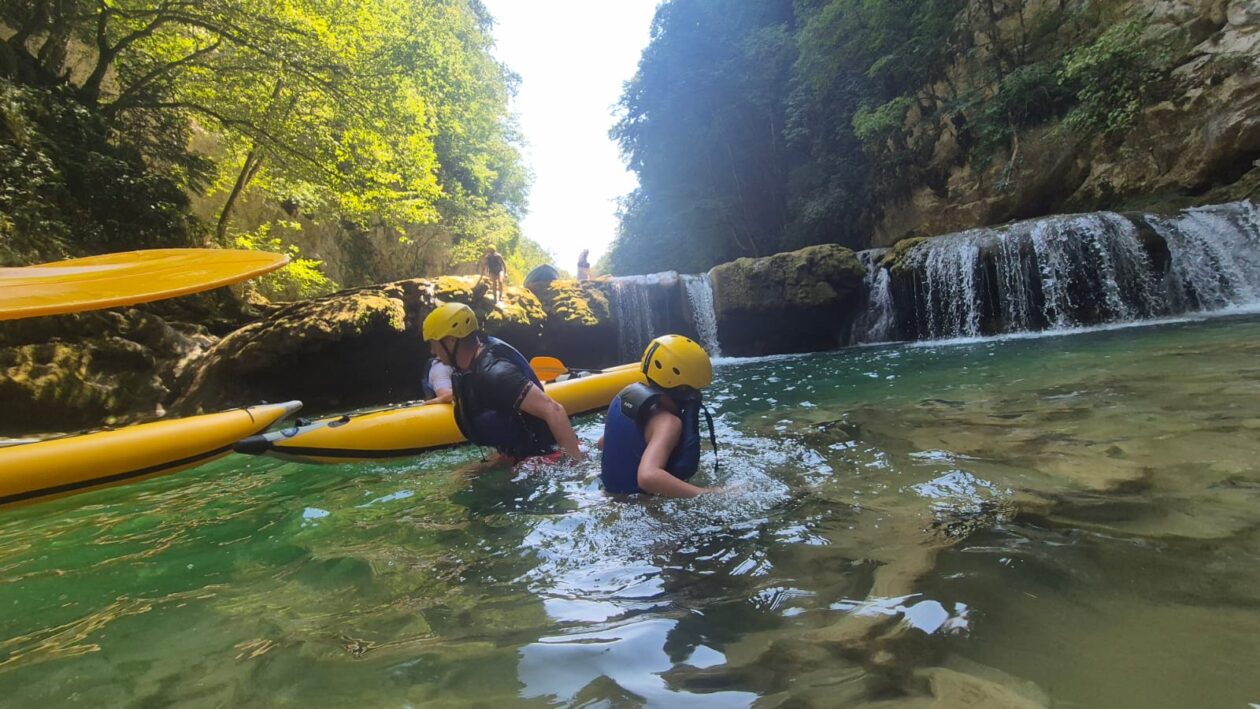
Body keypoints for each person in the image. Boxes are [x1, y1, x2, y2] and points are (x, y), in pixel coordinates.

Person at [423, 301, 583, 462]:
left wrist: (576, 466)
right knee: (463, 476)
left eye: (433, 344)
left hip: (546, 453)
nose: (432, 351)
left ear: (451, 340)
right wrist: (449, 397)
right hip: (517, 452)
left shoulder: (497, 373)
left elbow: (554, 410)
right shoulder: (468, 370)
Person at [599, 335, 720, 498]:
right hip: (639, 507)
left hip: (607, 494)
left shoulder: (625, 397)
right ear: (684, 389)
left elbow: (602, 443)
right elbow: (648, 477)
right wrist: (709, 493)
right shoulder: (669, 423)